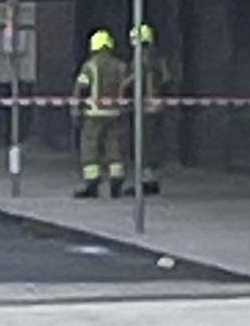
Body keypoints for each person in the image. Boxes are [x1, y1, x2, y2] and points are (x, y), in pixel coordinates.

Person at [73, 29, 127, 198]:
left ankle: (92, 183)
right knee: (114, 146)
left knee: (91, 147)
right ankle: (116, 181)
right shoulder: (121, 66)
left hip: (93, 114)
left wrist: (76, 109)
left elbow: (81, 89)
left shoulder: (90, 66)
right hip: (115, 114)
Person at [128, 24, 176, 195]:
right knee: (153, 142)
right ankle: (152, 179)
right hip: (157, 105)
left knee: (143, 144)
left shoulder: (141, 59)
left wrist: (123, 87)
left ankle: (145, 182)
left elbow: (135, 80)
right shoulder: (159, 58)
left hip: (145, 106)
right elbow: (167, 80)